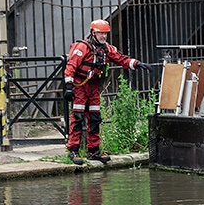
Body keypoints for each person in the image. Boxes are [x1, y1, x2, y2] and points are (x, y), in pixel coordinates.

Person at [64, 19, 151, 165]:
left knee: (95, 118)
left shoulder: (107, 49)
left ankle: (93, 150)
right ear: (93, 33)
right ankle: (73, 150)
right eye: (100, 33)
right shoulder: (82, 47)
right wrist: (68, 85)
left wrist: (136, 63)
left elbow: (120, 59)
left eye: (105, 33)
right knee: (77, 118)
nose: (103, 36)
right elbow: (71, 66)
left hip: (93, 87)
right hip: (80, 86)